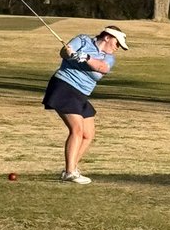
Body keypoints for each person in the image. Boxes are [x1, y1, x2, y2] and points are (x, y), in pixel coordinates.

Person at [42, 25, 129, 184]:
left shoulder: (109, 58)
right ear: (107, 37)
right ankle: (70, 173)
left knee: (88, 134)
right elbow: (63, 53)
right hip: (64, 86)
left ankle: (71, 169)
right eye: (117, 43)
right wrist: (70, 54)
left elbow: (101, 69)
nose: (117, 48)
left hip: (81, 94)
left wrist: (86, 57)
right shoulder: (82, 40)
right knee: (77, 130)